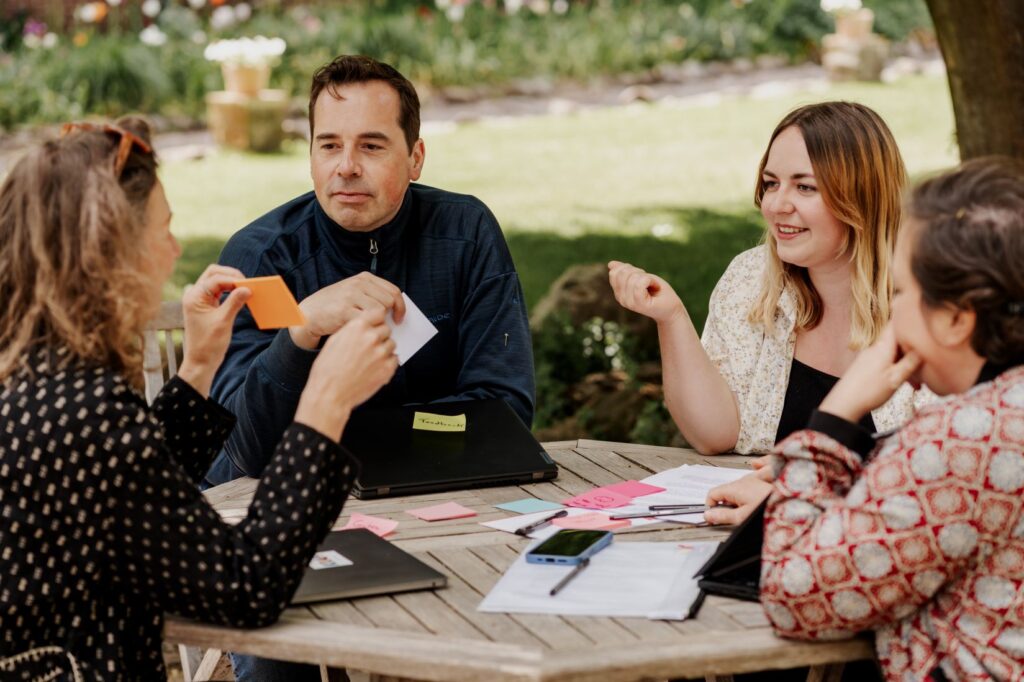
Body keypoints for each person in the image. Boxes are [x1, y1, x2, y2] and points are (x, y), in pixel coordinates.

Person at [0, 118, 398, 680]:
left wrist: (198, 368)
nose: (174, 250)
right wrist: (325, 402)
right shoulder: (82, 406)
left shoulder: (38, 378)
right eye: (161, 231)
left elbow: (132, 490)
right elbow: (244, 589)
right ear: (110, 255)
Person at [203, 54, 535, 491]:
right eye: (329, 145)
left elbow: (504, 407)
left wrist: (366, 435)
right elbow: (243, 447)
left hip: (437, 490)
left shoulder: (465, 235)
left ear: (415, 158)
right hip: (277, 506)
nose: (346, 167)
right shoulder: (262, 258)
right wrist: (301, 331)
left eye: (371, 146)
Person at [761, 156, 1024, 680]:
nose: (891, 309)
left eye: (901, 292)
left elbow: (794, 596)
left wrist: (833, 418)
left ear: (954, 318)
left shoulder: (962, 439)